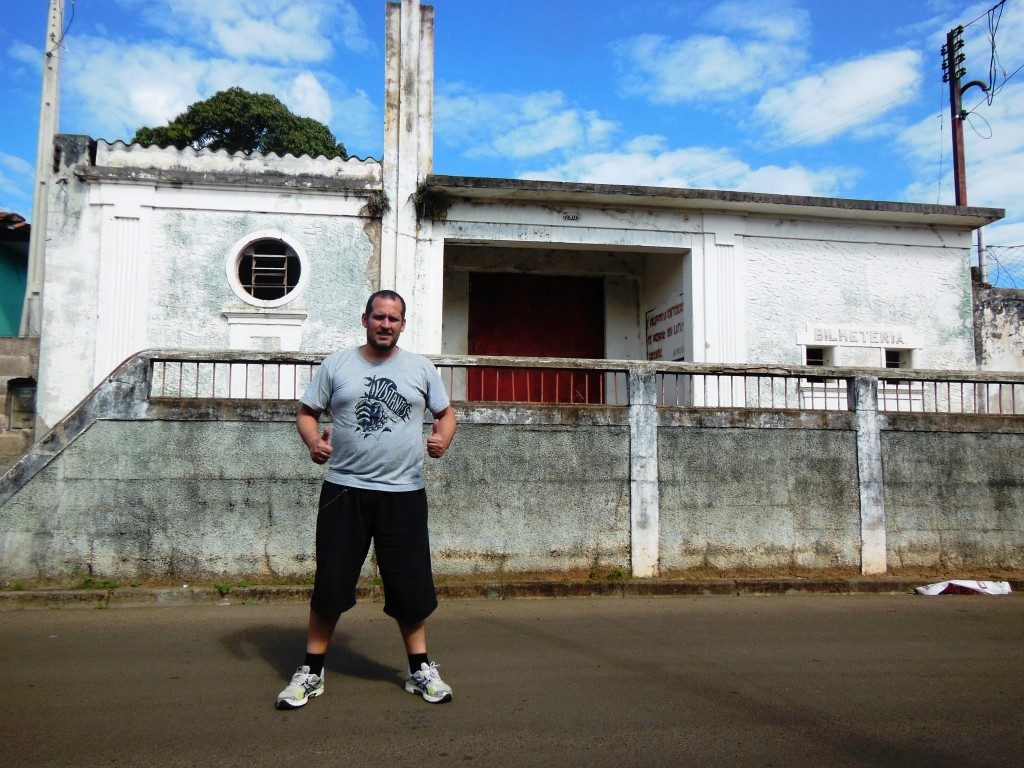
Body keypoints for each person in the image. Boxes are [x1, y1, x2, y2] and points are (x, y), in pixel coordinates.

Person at [276, 289, 457, 710]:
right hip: (344, 490)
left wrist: (441, 438)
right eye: (379, 317)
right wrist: (312, 444)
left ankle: (420, 669)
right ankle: (311, 671)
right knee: (331, 583)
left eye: (393, 319)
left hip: (404, 494)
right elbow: (307, 413)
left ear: (403, 324)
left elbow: (446, 414)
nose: (385, 325)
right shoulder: (338, 364)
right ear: (365, 319)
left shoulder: (420, 367)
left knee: (411, 587)